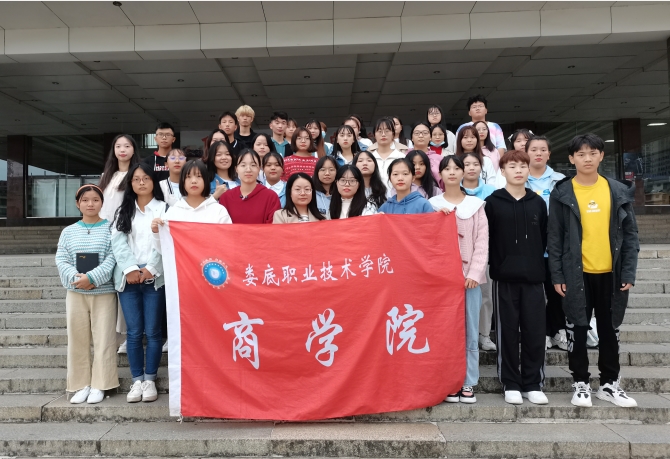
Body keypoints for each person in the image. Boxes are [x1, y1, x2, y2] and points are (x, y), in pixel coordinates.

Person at [548, 133, 639, 408]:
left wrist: (628, 272)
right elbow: (555, 238)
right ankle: (581, 383)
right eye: (581, 154)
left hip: (611, 274)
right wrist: (557, 275)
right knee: (577, 329)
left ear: (601, 156)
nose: (587, 158)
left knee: (610, 331)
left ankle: (609, 384)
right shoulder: (562, 193)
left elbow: (630, 235)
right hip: (576, 274)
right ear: (571, 159)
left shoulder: (617, 190)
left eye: (592, 153)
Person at [484, 149, 548, 406]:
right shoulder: (493, 202)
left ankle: (533, 383)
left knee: (535, 331)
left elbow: (544, 236)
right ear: (502, 171)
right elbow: (486, 239)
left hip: (534, 278)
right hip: (504, 278)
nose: (518, 170)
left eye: (522, 166)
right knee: (507, 332)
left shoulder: (537, 203)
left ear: (528, 169)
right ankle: (510, 382)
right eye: (512, 166)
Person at [429, 156, 488, 404]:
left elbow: (482, 242)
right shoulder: (431, 205)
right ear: (440, 174)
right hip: (442, 283)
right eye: (446, 168)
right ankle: (449, 381)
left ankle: (468, 381)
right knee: (444, 332)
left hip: (469, 281)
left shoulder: (476, 205)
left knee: (470, 330)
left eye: (456, 168)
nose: (452, 172)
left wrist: (474, 273)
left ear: (463, 172)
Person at [56, 184, 118, 404]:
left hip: (103, 292)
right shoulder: (68, 231)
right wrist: (77, 279)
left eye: (95, 200)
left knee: (104, 339)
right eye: (85, 200)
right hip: (76, 293)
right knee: (77, 338)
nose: (90, 204)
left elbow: (113, 257)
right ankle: (81, 384)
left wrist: (92, 278)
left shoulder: (111, 229)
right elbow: (61, 259)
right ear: (77, 204)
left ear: (102, 203)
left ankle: (101, 384)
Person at [111, 163, 166, 404]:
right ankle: (136, 380)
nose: (141, 182)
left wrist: (150, 268)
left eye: (145, 178)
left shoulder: (163, 209)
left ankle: (150, 379)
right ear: (130, 184)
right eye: (136, 179)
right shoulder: (124, 210)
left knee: (153, 332)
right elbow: (118, 243)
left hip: (155, 277)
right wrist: (130, 269)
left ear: (153, 181)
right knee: (133, 332)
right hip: (129, 278)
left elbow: (165, 242)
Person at [523, 136, 568, 352]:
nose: (538, 153)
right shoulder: (519, 178)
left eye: (543, 149)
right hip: (529, 246)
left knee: (556, 291)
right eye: (533, 149)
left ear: (549, 154)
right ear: (526, 153)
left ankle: (557, 330)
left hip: (555, 247)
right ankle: (540, 332)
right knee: (534, 295)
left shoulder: (561, 180)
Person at [98, 134, 140, 355]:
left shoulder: (136, 175)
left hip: (127, 235)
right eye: (118, 146)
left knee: (124, 284)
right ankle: (110, 335)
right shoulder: (106, 176)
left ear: (133, 150)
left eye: (127, 146)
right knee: (109, 287)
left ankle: (126, 335)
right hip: (105, 236)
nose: (122, 149)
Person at [460, 152, 496, 352]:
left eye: (476, 164)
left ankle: (484, 335)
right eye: (467, 164)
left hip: (484, 251)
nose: (471, 168)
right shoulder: (453, 191)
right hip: (460, 254)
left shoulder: (491, 191)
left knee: (485, 295)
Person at [152, 160, 232, 241]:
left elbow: (227, 241)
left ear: (206, 180)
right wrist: (156, 232)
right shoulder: (173, 212)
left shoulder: (219, 211)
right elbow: (165, 246)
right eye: (188, 177)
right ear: (182, 182)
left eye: (199, 176)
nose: (194, 181)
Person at [219, 148, 281, 224]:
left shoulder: (271, 197)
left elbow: (274, 228)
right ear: (236, 169)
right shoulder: (226, 198)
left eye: (253, 165)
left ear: (259, 168)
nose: (248, 169)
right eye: (243, 165)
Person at [367, 118, 406, 188]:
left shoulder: (401, 157)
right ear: (374, 135)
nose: (383, 134)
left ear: (393, 134)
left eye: (387, 131)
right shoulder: (369, 158)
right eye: (379, 131)